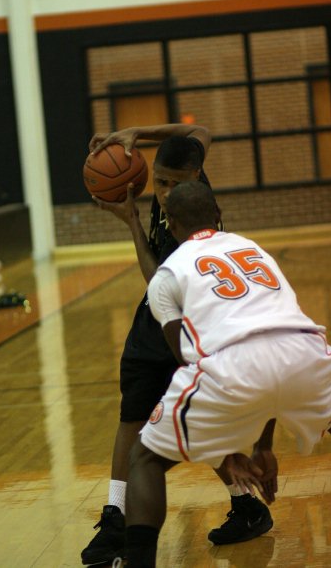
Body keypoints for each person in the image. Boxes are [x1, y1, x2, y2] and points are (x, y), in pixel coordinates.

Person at [118, 180, 331, 568]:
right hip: (303, 350)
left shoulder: (168, 274)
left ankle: (138, 562)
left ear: (169, 223)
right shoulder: (253, 248)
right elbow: (270, 358)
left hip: (233, 365)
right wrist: (261, 445)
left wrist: (226, 445)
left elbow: (188, 358)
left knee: (145, 458)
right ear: (218, 216)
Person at [81, 125, 274, 566]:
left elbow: (159, 281)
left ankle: (244, 504)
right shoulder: (188, 161)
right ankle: (115, 517)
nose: (165, 192)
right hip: (154, 324)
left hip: (185, 320)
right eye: (161, 181)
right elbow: (201, 130)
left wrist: (131, 221)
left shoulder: (190, 222)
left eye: (174, 183)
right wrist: (135, 132)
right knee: (132, 415)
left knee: (198, 421)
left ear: (196, 176)